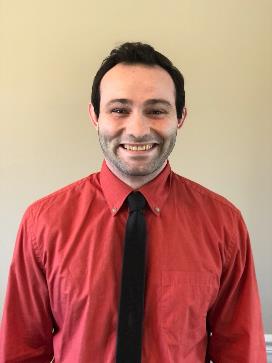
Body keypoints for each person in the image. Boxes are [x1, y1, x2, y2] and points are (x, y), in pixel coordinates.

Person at [0, 42, 267, 363]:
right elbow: (21, 350)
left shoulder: (224, 223)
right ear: (94, 115)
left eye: (156, 110)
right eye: (119, 109)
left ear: (180, 117)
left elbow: (240, 351)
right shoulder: (43, 222)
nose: (138, 129)